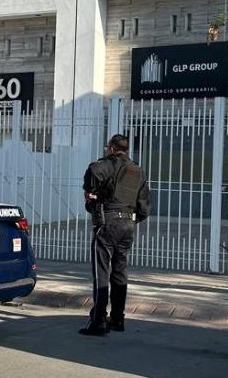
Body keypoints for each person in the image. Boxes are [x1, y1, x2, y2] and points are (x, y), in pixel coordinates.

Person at [80, 134, 151, 336]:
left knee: (101, 272)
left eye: (107, 149)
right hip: (128, 225)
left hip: (108, 225)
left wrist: (91, 192)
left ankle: (98, 321)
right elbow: (144, 208)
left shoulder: (107, 164)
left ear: (111, 149)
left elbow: (94, 171)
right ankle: (118, 318)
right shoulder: (137, 171)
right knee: (120, 271)